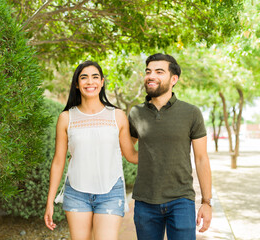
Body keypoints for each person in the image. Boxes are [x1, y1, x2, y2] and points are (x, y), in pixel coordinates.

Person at [44, 60, 138, 240]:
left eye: (95, 77)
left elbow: (131, 155)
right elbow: (58, 161)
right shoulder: (66, 118)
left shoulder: (117, 116)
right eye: (84, 78)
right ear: (77, 85)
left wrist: (159, 149)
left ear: (102, 82)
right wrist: (50, 201)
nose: (90, 82)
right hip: (76, 193)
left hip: (111, 192)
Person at [128, 53, 212, 240]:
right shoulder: (136, 113)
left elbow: (201, 158)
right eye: (148, 71)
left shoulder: (191, 112)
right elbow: (128, 150)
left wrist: (207, 202)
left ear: (174, 79)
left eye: (159, 71)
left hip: (181, 200)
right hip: (145, 202)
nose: (151, 76)